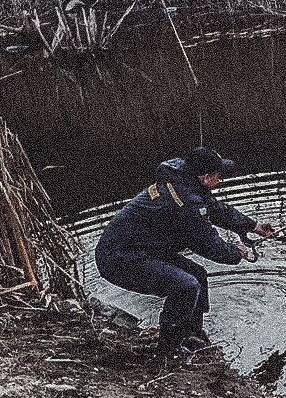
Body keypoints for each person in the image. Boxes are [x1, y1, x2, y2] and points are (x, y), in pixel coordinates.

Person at [95, 147, 275, 356]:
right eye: (218, 175)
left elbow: (216, 210)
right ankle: (168, 351)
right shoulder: (186, 202)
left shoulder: (185, 182)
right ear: (206, 177)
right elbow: (210, 246)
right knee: (185, 286)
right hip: (118, 258)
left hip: (140, 249)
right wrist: (237, 252)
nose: (221, 180)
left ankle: (192, 335)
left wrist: (253, 226)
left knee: (198, 275)